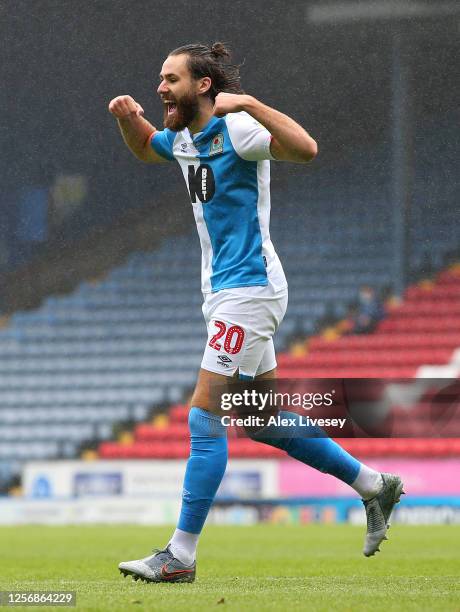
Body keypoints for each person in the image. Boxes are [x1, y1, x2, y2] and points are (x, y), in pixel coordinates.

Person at [109, 42, 404, 583]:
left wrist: (249, 103)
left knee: (205, 415)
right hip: (224, 293)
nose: (160, 87)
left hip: (251, 289)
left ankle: (180, 555)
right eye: (159, 79)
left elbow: (307, 148)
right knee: (262, 420)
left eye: (170, 79)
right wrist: (130, 119)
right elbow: (147, 148)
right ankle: (374, 485)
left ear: (202, 85)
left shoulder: (237, 130)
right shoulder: (183, 139)